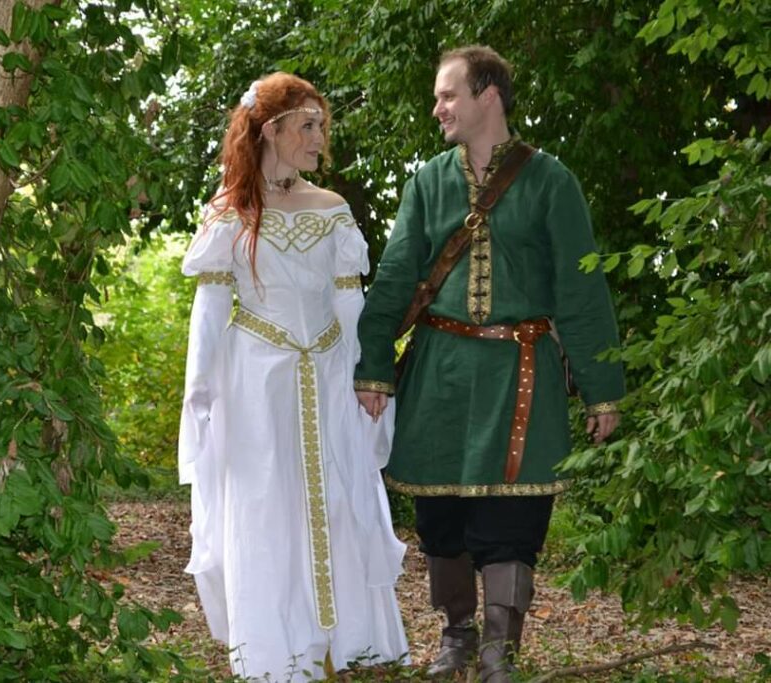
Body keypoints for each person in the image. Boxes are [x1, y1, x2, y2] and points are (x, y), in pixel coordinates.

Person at [353, 46, 625, 682]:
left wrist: (601, 388)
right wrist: (374, 365)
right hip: (440, 371)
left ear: (488, 95)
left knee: (513, 519)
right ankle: (457, 638)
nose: (437, 107)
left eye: (448, 95)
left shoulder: (551, 180)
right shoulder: (428, 181)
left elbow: (581, 291)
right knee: (441, 513)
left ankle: (501, 651)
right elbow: (396, 277)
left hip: (520, 371)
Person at [177, 72, 409, 681]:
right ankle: (280, 658)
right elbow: (210, 310)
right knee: (266, 506)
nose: (318, 138)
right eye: (307, 125)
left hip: (330, 374)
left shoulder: (331, 209)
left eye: (322, 126)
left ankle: (344, 645)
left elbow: (349, 303)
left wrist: (367, 377)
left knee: (338, 499)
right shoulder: (230, 213)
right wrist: (199, 392)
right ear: (271, 129)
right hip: (257, 381)